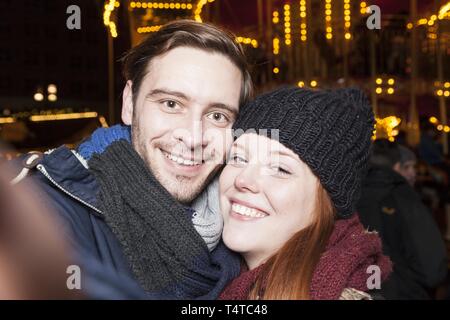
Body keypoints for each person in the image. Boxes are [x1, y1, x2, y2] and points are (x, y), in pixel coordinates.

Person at [10, 20, 253, 299]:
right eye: (171, 104)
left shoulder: (244, 222)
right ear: (129, 103)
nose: (193, 137)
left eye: (217, 116)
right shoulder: (44, 214)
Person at [217, 87, 392, 300]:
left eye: (280, 168)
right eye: (237, 158)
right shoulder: (209, 275)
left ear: (327, 202)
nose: (242, 179)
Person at [357, 139, 448, 299]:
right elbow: (432, 269)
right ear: (397, 166)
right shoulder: (403, 199)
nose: (413, 172)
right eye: (407, 167)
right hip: (403, 292)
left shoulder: (348, 199)